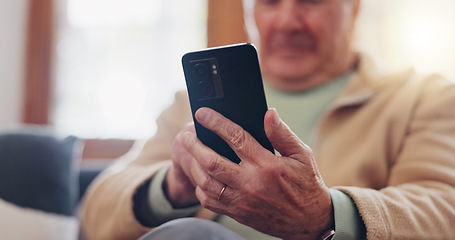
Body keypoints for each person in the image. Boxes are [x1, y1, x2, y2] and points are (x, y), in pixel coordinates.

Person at [80, 0, 455, 239]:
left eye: (310, 0)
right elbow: (96, 210)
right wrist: (170, 188)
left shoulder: (422, 97)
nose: (287, 20)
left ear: (353, 8)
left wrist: (326, 213)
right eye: (269, 2)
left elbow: (444, 210)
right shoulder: (189, 105)